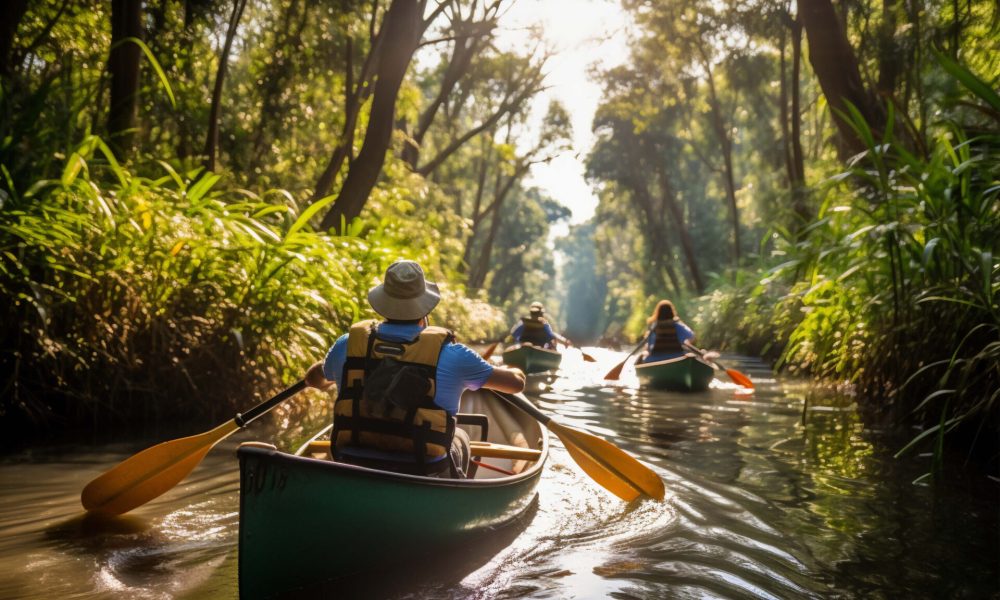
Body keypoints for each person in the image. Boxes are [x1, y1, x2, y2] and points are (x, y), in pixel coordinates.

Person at [304, 260, 526, 478]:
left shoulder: (348, 344)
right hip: (422, 463)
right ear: (425, 307)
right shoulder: (455, 355)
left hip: (352, 454)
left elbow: (314, 379)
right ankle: (452, 494)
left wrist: (324, 373)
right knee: (460, 437)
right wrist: (509, 368)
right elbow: (516, 384)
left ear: (383, 303)